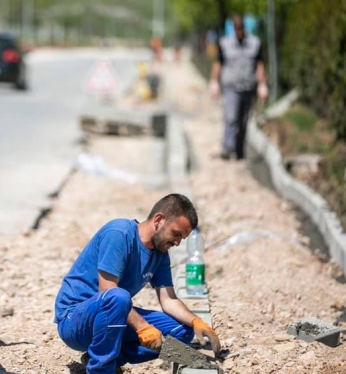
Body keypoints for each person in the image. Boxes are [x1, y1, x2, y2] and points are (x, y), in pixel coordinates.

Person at [54, 194, 221, 374]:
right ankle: (100, 369)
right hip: (74, 322)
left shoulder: (160, 253)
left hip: (111, 315)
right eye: (176, 234)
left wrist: (196, 321)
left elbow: (169, 300)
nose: (177, 243)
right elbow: (108, 290)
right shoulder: (119, 234)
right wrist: (143, 327)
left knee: (183, 331)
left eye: (182, 238)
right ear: (159, 220)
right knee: (119, 297)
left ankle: (104, 357)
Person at [210, 14, 268, 160]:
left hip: (248, 87)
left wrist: (262, 84)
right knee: (231, 117)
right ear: (233, 29)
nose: (239, 31)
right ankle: (227, 148)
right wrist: (214, 82)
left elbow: (259, 64)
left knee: (243, 121)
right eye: (237, 28)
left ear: (244, 28)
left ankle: (239, 150)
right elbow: (218, 63)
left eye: (241, 28)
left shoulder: (254, 43)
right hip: (231, 87)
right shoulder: (225, 43)